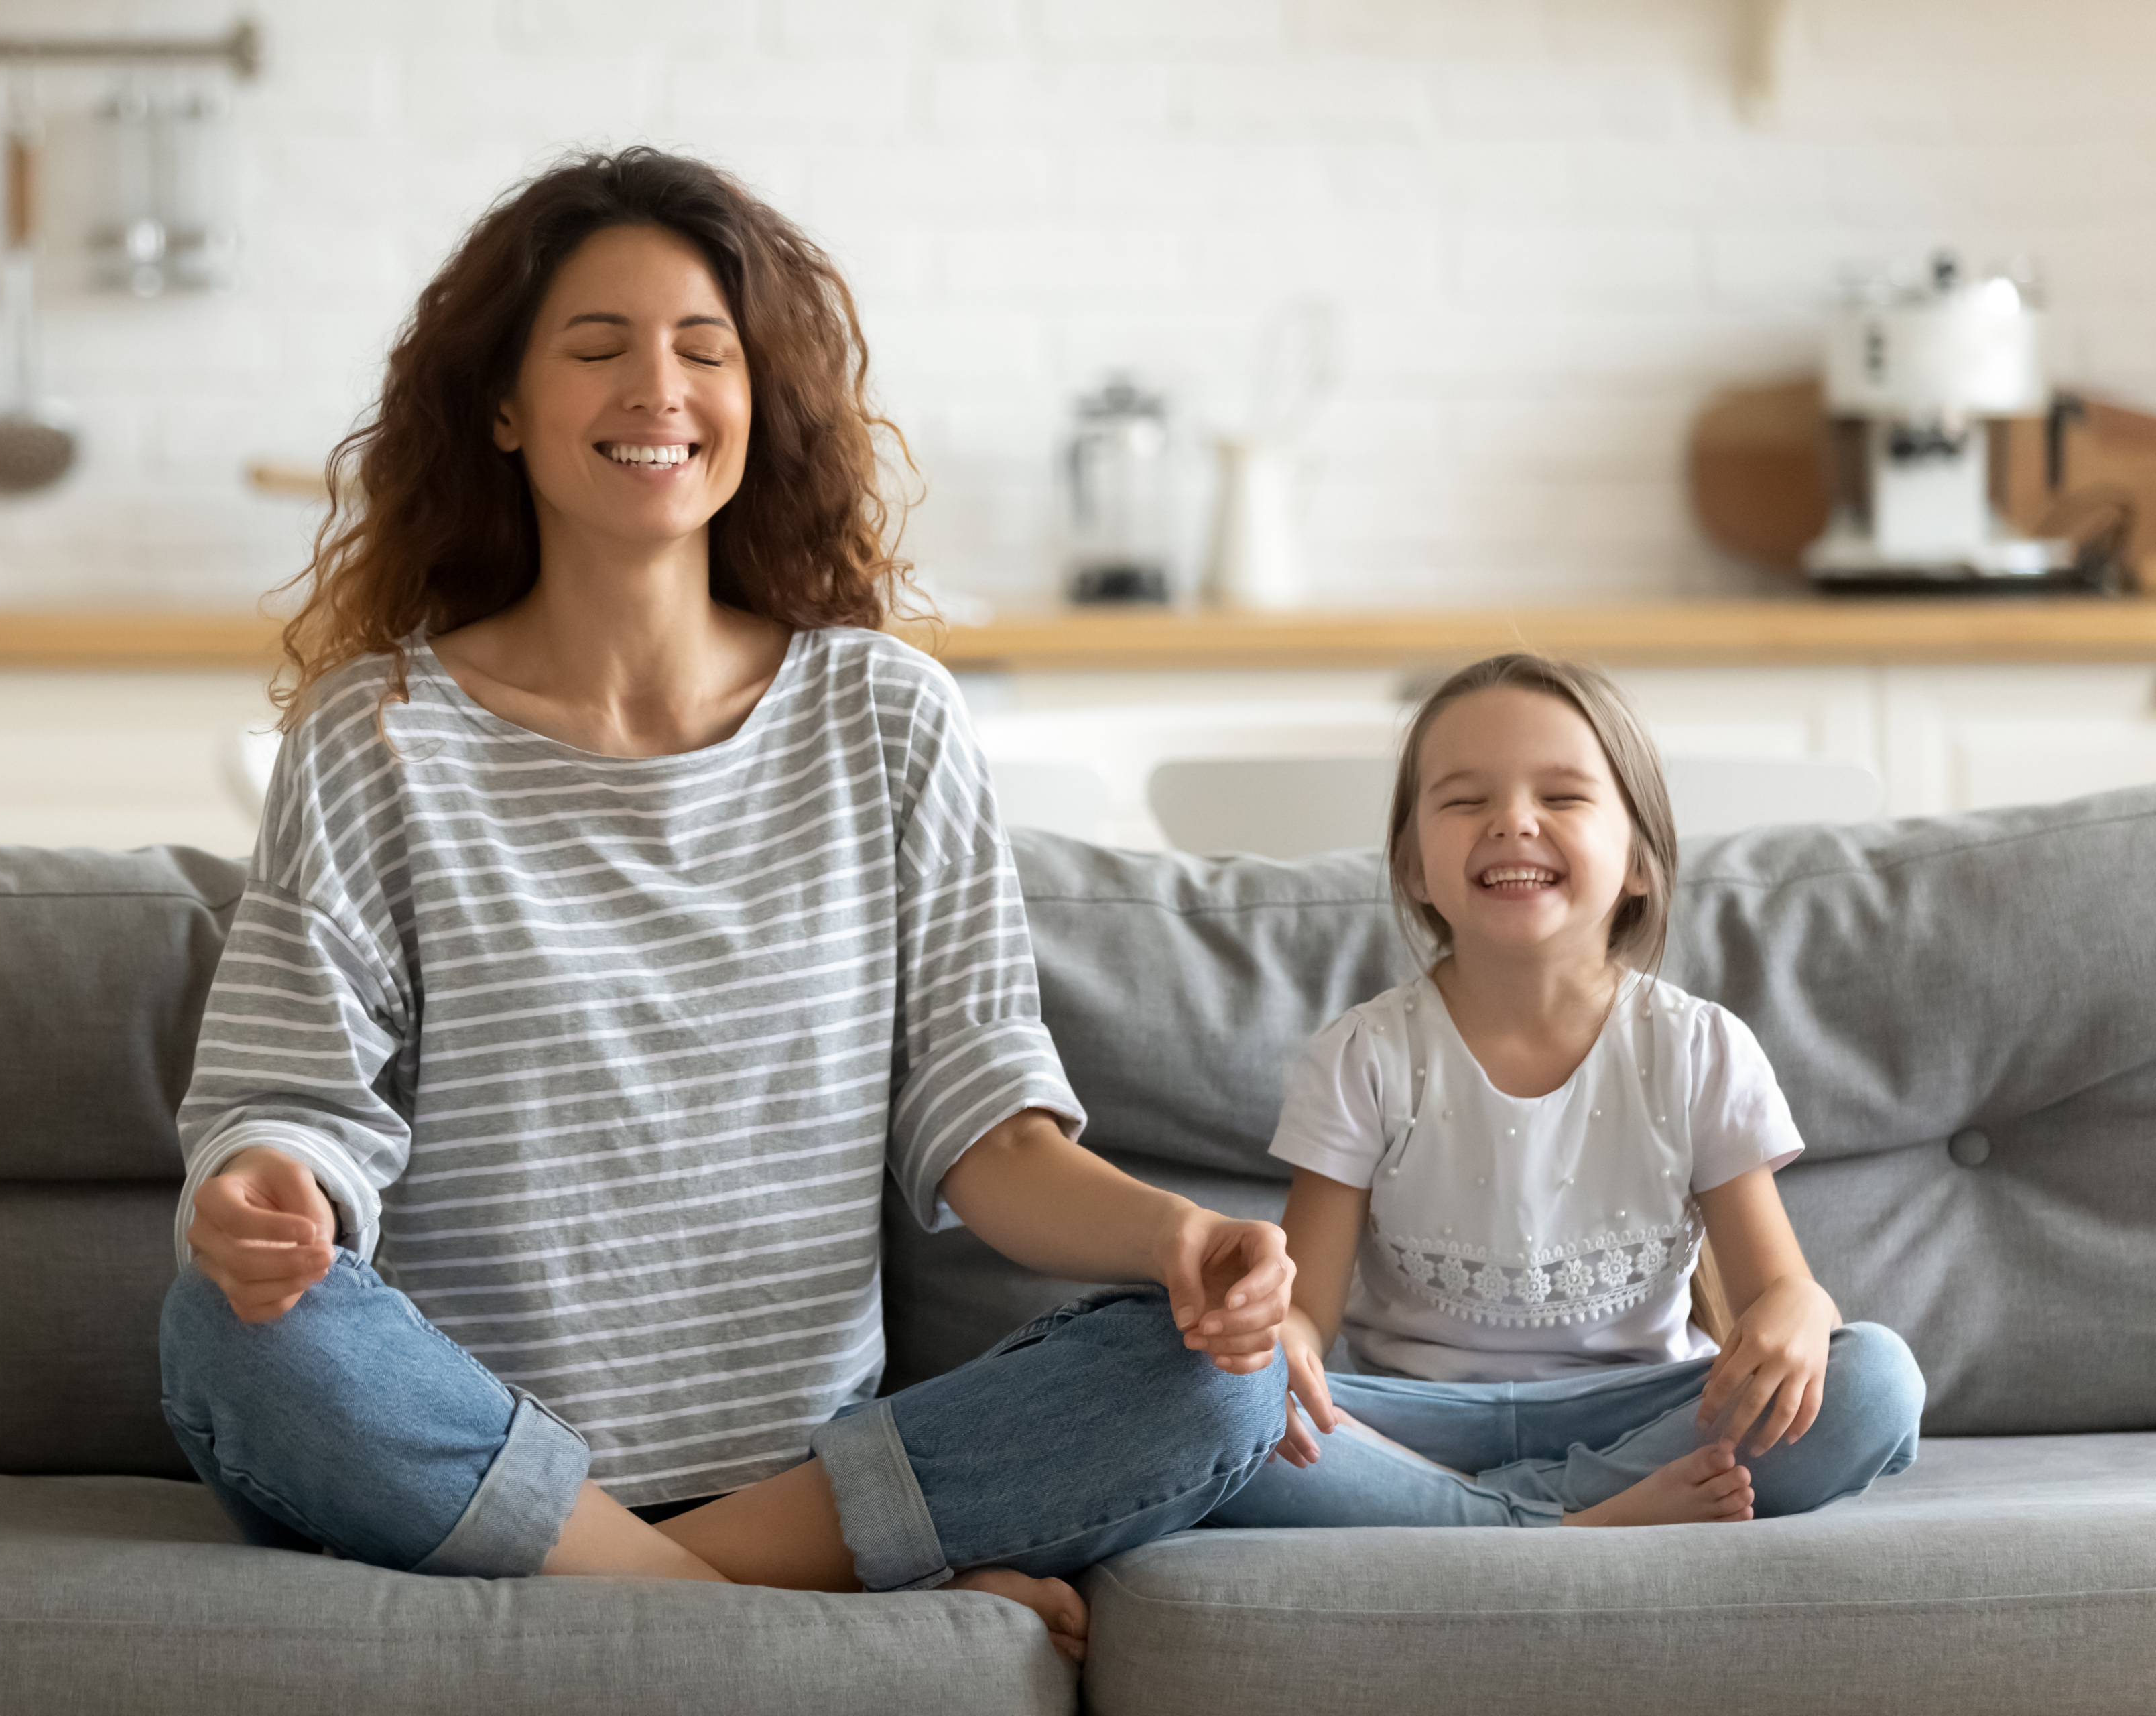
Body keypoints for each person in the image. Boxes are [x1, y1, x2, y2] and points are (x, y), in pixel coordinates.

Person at [154, 146, 1291, 1663]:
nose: (659, 389)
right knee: (225, 1335)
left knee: (1228, 1373)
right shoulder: (381, 734)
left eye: (706, 348)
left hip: (801, 1478)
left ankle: (629, 1577)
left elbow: (987, 1131)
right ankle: (763, 1612)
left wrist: (1185, 1237)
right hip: (459, 1439)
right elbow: (291, 1100)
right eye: (597, 346)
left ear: (763, 403)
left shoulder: (885, 716)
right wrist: (260, 1183)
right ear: (503, 406)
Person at [1207, 653, 1925, 1532]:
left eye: (1564, 796)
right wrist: (1279, 1350)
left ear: (1640, 862)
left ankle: (1479, 1526)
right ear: (1411, 868)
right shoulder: (1363, 1055)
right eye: (1466, 800)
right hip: (1421, 1423)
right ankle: (1573, 1522)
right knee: (1208, 1402)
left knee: (1877, 1379)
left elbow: (1781, 1295)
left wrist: (1805, 1313)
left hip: (1644, 1413)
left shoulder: (1699, 1048)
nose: (1513, 822)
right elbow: (1307, 1323)